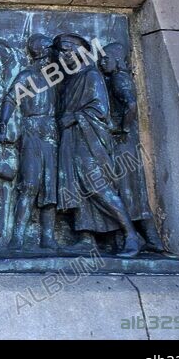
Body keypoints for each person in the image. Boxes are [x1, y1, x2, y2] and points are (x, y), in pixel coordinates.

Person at [54, 33, 141, 256]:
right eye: (61, 51)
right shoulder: (71, 78)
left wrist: (74, 117)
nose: (63, 55)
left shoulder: (91, 75)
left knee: (96, 185)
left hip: (89, 138)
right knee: (76, 186)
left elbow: (100, 109)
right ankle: (87, 237)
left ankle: (130, 233)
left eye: (67, 50)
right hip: (71, 138)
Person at [99, 42, 164, 252]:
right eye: (101, 58)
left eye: (106, 59)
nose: (102, 62)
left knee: (126, 189)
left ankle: (133, 239)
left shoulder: (119, 79)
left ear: (117, 60)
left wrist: (121, 128)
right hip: (126, 143)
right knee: (133, 191)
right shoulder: (116, 78)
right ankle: (152, 240)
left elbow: (131, 105)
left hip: (122, 143)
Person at [0, 34, 59, 249]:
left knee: (50, 187)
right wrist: (3, 122)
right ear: (42, 52)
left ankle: (48, 237)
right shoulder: (28, 75)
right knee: (30, 185)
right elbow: (11, 98)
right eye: (51, 49)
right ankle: (18, 237)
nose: (55, 53)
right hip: (31, 130)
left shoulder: (55, 76)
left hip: (51, 132)